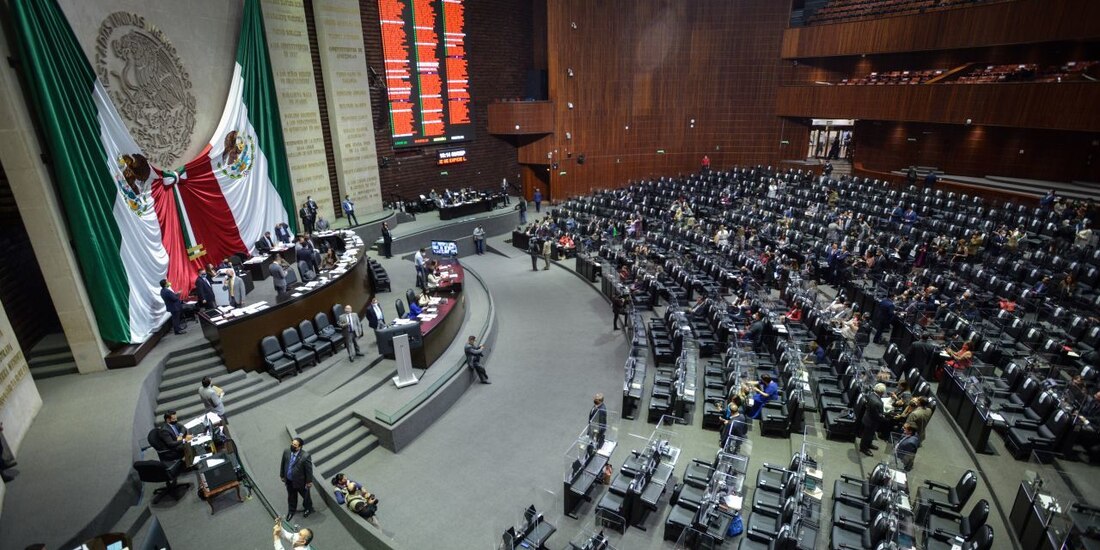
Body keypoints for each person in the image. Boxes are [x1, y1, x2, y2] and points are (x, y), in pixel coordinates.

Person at [279, 437, 314, 520]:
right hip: (289, 481)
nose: (292, 445)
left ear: (300, 447)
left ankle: (308, 508)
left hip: (301, 482)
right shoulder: (286, 451)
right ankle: (291, 511)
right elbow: (283, 463)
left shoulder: (305, 456)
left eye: (295, 445)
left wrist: (309, 481)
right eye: (292, 443)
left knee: (306, 497)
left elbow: (309, 470)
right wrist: (282, 475)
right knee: (291, 496)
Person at [861, 383, 886, 457]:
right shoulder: (876, 402)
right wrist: (885, 417)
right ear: (881, 392)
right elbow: (877, 415)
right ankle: (863, 448)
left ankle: (869, 444)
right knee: (866, 435)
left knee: (870, 435)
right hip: (871, 422)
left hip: (868, 418)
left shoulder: (871, 394)